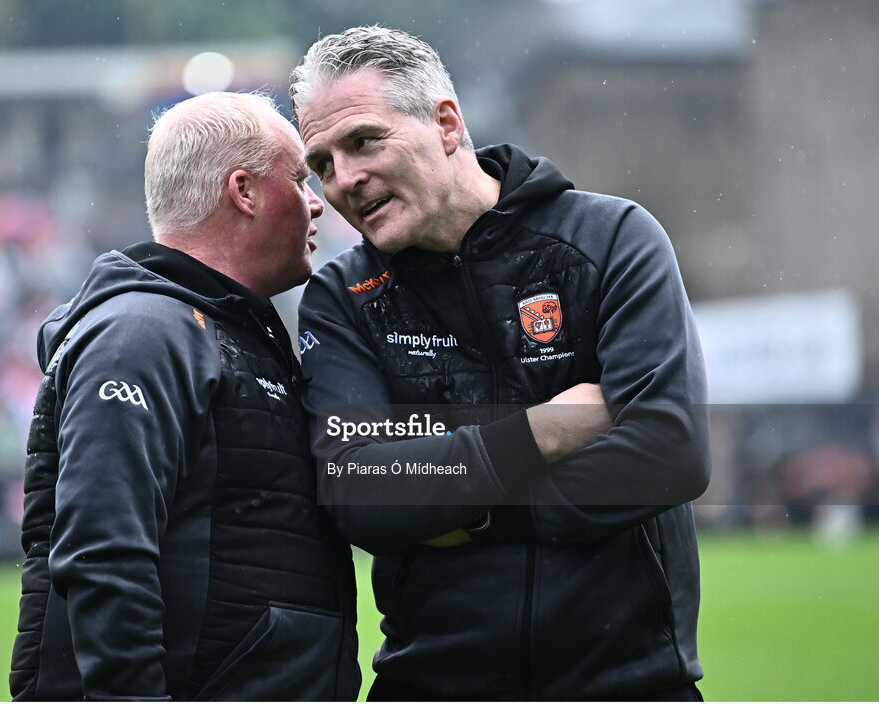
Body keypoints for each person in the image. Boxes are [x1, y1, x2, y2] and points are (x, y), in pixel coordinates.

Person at [289, 26, 711, 701]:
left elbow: (670, 452)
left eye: (364, 141)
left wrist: (461, 500)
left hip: (632, 681)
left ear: (447, 124)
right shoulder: (343, 301)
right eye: (323, 163)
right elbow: (357, 489)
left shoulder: (612, 239)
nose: (345, 179)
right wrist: (544, 431)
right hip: (430, 685)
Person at [9, 92, 359, 701]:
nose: (316, 203)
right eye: (301, 179)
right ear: (244, 191)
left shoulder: (223, 331)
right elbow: (104, 553)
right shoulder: (143, 332)